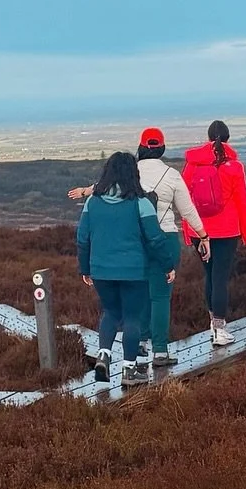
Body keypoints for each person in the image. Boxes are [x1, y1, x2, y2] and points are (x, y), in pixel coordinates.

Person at [77, 151, 176, 385]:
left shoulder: (93, 201)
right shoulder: (141, 203)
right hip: (133, 271)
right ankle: (129, 370)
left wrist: (84, 268)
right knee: (132, 318)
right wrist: (167, 265)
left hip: (100, 270)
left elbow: (82, 238)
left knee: (111, 313)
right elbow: (155, 239)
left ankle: (104, 355)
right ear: (134, 173)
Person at [134, 128, 205, 370]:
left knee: (140, 292)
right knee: (161, 297)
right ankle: (160, 352)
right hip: (165, 238)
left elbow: (104, 191)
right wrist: (203, 235)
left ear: (141, 146)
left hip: (136, 240)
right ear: (162, 148)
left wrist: (85, 191)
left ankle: (140, 344)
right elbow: (187, 210)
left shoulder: (129, 174)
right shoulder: (172, 175)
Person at [182, 121, 246, 347]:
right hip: (226, 231)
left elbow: (185, 201)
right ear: (227, 139)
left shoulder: (192, 166)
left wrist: (188, 231)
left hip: (199, 231)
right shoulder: (234, 167)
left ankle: (212, 325)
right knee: (220, 278)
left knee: (210, 276)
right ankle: (220, 329)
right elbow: (244, 203)